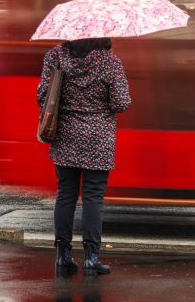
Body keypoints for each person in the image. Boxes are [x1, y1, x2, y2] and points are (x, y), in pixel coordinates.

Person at [37, 38, 131, 275]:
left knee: (65, 194)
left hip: (65, 134)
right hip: (98, 137)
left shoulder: (55, 56)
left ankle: (63, 256)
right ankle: (91, 257)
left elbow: (42, 96)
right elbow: (121, 103)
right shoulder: (110, 62)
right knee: (93, 197)